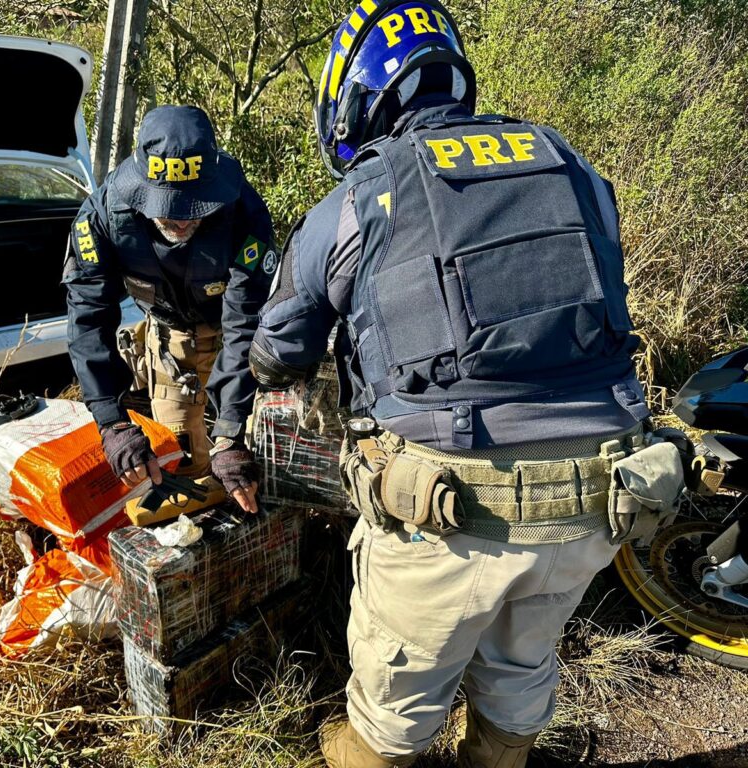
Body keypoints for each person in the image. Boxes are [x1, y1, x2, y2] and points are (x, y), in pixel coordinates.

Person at [249, 2, 684, 766]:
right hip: (596, 502)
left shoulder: (364, 193)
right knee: (523, 668)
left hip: (447, 508)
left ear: (356, 96)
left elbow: (279, 348)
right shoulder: (567, 161)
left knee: (392, 719)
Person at [65, 105, 276, 514]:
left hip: (236, 341)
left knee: (249, 459)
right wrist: (112, 421)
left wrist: (231, 433)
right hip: (170, 341)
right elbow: (88, 317)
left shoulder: (243, 211)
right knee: (179, 460)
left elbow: (245, 318)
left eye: (193, 207)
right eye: (165, 205)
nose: (179, 221)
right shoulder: (102, 217)